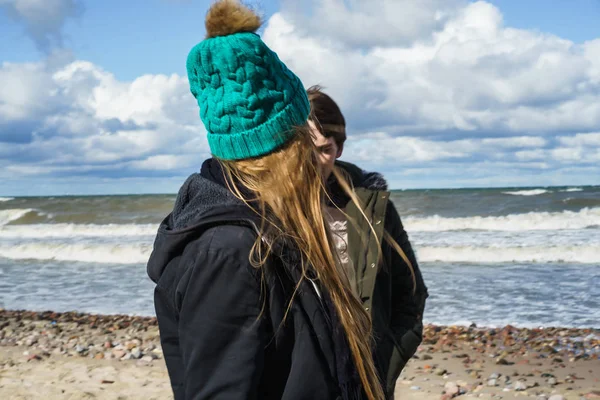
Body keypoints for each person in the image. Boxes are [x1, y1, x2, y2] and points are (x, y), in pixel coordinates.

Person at [147, 1, 385, 399]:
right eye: (302, 136)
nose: (314, 150)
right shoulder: (229, 253)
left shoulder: (271, 228)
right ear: (284, 146)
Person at [307, 85, 429, 399]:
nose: (314, 161)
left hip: (363, 384)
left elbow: (411, 292)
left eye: (324, 149)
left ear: (339, 148)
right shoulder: (268, 210)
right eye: (304, 148)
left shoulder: (371, 205)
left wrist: (383, 366)